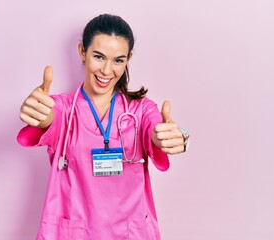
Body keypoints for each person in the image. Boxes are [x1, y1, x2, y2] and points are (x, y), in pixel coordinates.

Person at [17, 13, 189, 240]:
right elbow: (50, 116)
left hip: (130, 232)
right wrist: (40, 113)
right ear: (82, 51)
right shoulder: (65, 109)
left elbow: (156, 130)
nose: (107, 71)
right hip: (75, 233)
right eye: (99, 56)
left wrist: (174, 137)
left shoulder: (140, 111)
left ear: (128, 59)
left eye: (118, 60)